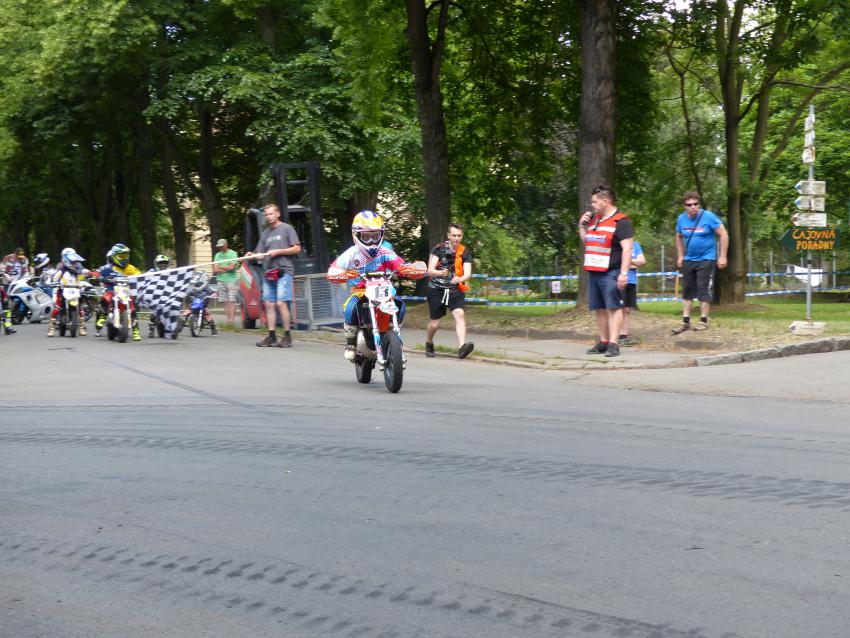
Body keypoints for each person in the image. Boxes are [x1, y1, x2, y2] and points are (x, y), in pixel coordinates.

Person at [326, 210, 425, 361]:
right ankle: (350, 344)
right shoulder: (351, 254)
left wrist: (411, 269)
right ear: (356, 235)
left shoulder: (385, 253)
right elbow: (333, 269)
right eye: (367, 237)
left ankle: (393, 331)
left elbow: (401, 265)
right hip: (360, 291)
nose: (372, 241)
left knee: (400, 305)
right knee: (350, 308)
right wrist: (344, 274)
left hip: (384, 289)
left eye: (375, 236)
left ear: (381, 235)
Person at [578, 186, 634, 358]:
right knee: (599, 308)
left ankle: (614, 344)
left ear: (606, 201)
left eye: (595, 202)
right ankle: (603, 341)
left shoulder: (621, 222)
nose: (592, 205)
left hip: (612, 272)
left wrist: (623, 273)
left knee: (613, 307)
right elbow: (589, 242)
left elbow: (627, 249)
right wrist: (581, 227)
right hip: (594, 271)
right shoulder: (595, 220)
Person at [672, 191, 728, 334]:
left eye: (695, 204)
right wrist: (680, 255)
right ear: (685, 206)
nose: (692, 207)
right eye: (689, 205)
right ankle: (685, 322)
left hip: (706, 259)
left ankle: (703, 321)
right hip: (689, 259)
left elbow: (723, 234)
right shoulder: (681, 219)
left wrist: (722, 256)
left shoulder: (708, 217)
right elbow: (678, 236)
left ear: (699, 204)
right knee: (687, 291)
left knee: (704, 290)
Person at [245, 203, 300, 347]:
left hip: (283, 271)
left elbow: (296, 248)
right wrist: (253, 255)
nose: (269, 217)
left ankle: (287, 336)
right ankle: (271, 336)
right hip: (268, 273)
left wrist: (279, 251)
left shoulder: (287, 229)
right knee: (269, 304)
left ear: (277, 214)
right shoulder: (265, 234)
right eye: (267, 215)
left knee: (281, 303)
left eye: (271, 213)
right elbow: (260, 254)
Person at [425, 223, 474, 359]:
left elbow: (468, 274)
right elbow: (430, 270)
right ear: (448, 235)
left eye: (459, 235)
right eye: (454, 235)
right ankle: (429, 343)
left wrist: (460, 279)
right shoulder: (439, 249)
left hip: (454, 289)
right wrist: (441, 273)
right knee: (435, 324)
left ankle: (462, 348)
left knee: (460, 314)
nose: (456, 238)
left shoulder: (464, 252)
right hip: (437, 289)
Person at [93, 243, 143, 340]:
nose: (124, 258)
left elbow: (139, 275)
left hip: (126, 291)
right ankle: (103, 314)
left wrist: (139, 278)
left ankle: (136, 330)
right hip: (112, 289)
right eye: (121, 256)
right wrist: (97, 277)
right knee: (106, 297)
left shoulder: (131, 267)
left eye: (125, 256)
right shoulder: (108, 267)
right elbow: (97, 273)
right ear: (114, 256)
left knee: (132, 306)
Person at [46, 247, 90, 337]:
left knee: (80, 307)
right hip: (63, 289)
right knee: (57, 307)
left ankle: (82, 327)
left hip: (75, 289)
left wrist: (90, 273)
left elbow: (83, 271)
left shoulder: (77, 266)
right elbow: (55, 276)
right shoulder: (61, 267)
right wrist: (52, 281)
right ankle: (51, 328)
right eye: (72, 260)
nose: (74, 262)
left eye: (74, 260)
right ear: (65, 258)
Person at [619, 240, 646, 346]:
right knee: (618, 309)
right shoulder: (618, 244)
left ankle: (624, 336)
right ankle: (615, 335)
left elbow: (642, 261)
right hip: (619, 280)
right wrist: (633, 262)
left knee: (627, 310)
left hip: (632, 281)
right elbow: (618, 262)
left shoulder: (635, 244)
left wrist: (629, 261)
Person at [213, 238, 239, 325]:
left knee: (232, 300)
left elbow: (232, 267)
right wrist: (226, 268)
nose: (220, 248)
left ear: (226, 245)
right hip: (220, 280)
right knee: (224, 301)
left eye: (222, 246)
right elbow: (215, 269)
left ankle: (232, 321)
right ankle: (228, 321)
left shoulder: (233, 253)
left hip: (232, 280)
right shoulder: (217, 255)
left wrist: (220, 267)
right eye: (219, 246)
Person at [147, 254, 172, 338]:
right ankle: (151, 328)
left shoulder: (171, 272)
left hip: (167, 294)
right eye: (161, 264)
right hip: (155, 294)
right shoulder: (152, 272)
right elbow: (145, 279)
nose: (163, 266)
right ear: (156, 264)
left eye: (165, 264)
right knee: (154, 311)